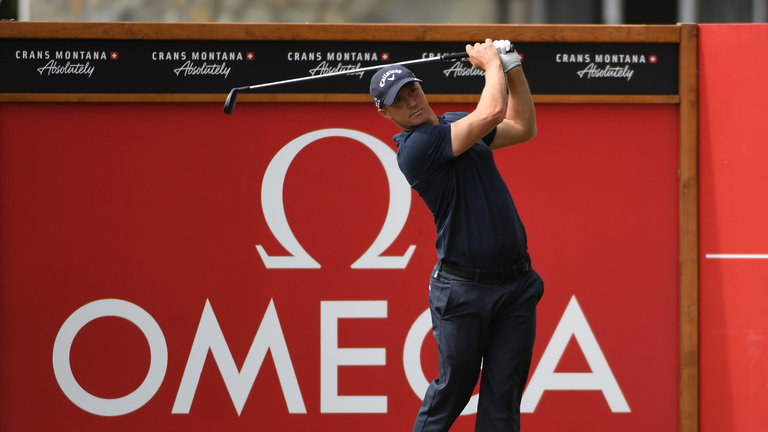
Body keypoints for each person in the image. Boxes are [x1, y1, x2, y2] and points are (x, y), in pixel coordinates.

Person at [369, 39, 544, 431]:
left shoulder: (451, 124)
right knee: (455, 388)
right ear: (386, 114)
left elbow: (522, 127)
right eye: (399, 101)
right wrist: (490, 64)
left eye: (412, 89)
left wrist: (512, 67)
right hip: (463, 292)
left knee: (503, 400)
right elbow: (493, 110)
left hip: (516, 286)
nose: (412, 101)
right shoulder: (416, 148)